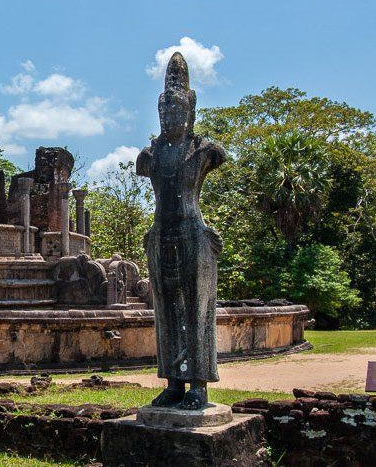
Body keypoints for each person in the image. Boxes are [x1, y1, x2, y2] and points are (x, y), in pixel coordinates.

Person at [136, 52, 226, 410]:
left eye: (177, 109)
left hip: (193, 234)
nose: (170, 115)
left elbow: (218, 156)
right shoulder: (151, 155)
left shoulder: (204, 150)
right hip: (161, 235)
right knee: (166, 311)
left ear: (190, 110)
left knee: (197, 309)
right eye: (165, 110)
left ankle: (198, 384)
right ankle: (173, 382)